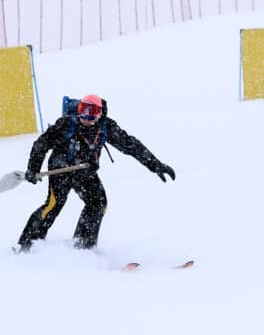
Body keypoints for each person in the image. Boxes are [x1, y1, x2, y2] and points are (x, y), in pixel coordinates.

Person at [17, 94, 175, 252]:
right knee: (54, 204)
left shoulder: (106, 126)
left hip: (85, 171)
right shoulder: (67, 123)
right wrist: (33, 168)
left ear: (99, 114)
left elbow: (131, 145)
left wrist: (156, 165)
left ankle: (83, 246)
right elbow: (41, 144)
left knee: (98, 203)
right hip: (61, 168)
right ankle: (27, 245)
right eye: (82, 112)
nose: (85, 118)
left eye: (90, 114)